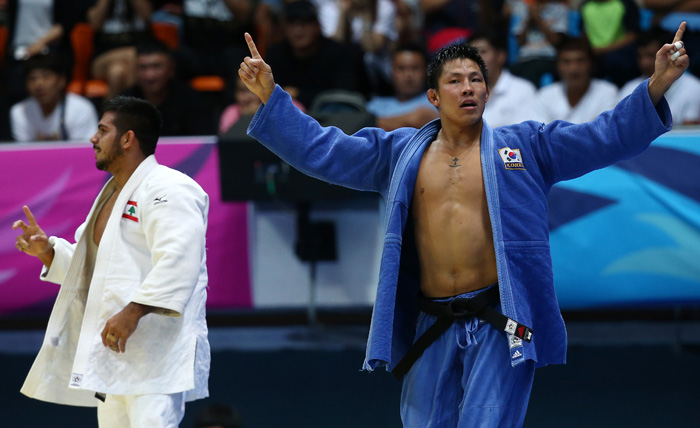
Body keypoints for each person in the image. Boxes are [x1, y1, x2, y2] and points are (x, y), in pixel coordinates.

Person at [238, 20, 687, 426]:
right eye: (455, 81)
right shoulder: (398, 154)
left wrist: (655, 86)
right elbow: (325, 150)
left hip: (501, 318)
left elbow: (600, 137)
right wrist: (271, 99)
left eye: (476, 80)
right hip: (429, 320)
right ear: (433, 96)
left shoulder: (526, 147)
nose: (468, 88)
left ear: (489, 93)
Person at [13, 96, 211, 427]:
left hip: (156, 355)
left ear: (127, 138)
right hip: (114, 356)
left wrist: (133, 311)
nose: (93, 138)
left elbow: (179, 260)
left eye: (102, 130)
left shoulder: (170, 187)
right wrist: (47, 251)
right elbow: (96, 264)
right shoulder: (112, 193)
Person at [265, 0, 365, 109]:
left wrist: (299, 94)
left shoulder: (339, 53)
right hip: (289, 115)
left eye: (304, 24)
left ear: (317, 26)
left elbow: (344, 96)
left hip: (332, 116)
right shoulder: (275, 54)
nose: (298, 31)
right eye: (292, 24)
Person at [122, 40, 215, 135]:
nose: (150, 75)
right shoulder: (124, 104)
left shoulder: (192, 101)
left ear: (171, 68)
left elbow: (204, 142)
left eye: (156, 66)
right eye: (143, 67)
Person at [618, 27, 700, 125]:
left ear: (669, 55)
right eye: (640, 56)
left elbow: (690, 134)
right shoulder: (629, 88)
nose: (644, 63)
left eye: (650, 55)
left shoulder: (694, 88)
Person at [10, 53, 98, 142]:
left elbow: (85, 151)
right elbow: (22, 152)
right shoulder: (20, 111)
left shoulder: (81, 109)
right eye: (32, 78)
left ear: (61, 81)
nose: (39, 84)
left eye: (46, 76)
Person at [531, 36, 618, 123]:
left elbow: (603, 131)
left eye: (580, 61)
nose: (574, 69)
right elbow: (538, 132)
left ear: (591, 64)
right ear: (558, 67)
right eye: (566, 62)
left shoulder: (607, 92)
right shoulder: (545, 95)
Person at [469, 30, 537, 127]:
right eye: (472, 54)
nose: (476, 59)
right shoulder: (465, 91)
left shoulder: (523, 90)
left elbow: (525, 134)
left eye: (483, 52)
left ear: (501, 56)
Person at [87, 0, 154, 99]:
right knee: (134, 54)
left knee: (117, 72)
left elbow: (147, 17)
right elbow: (95, 24)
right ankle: (136, 107)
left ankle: (108, 111)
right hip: (104, 53)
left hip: (137, 46)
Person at [366, 42, 438, 131]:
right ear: (392, 72)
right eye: (401, 68)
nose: (408, 75)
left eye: (415, 68)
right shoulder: (375, 104)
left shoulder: (434, 101)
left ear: (426, 72)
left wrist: (372, 123)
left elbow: (420, 118)